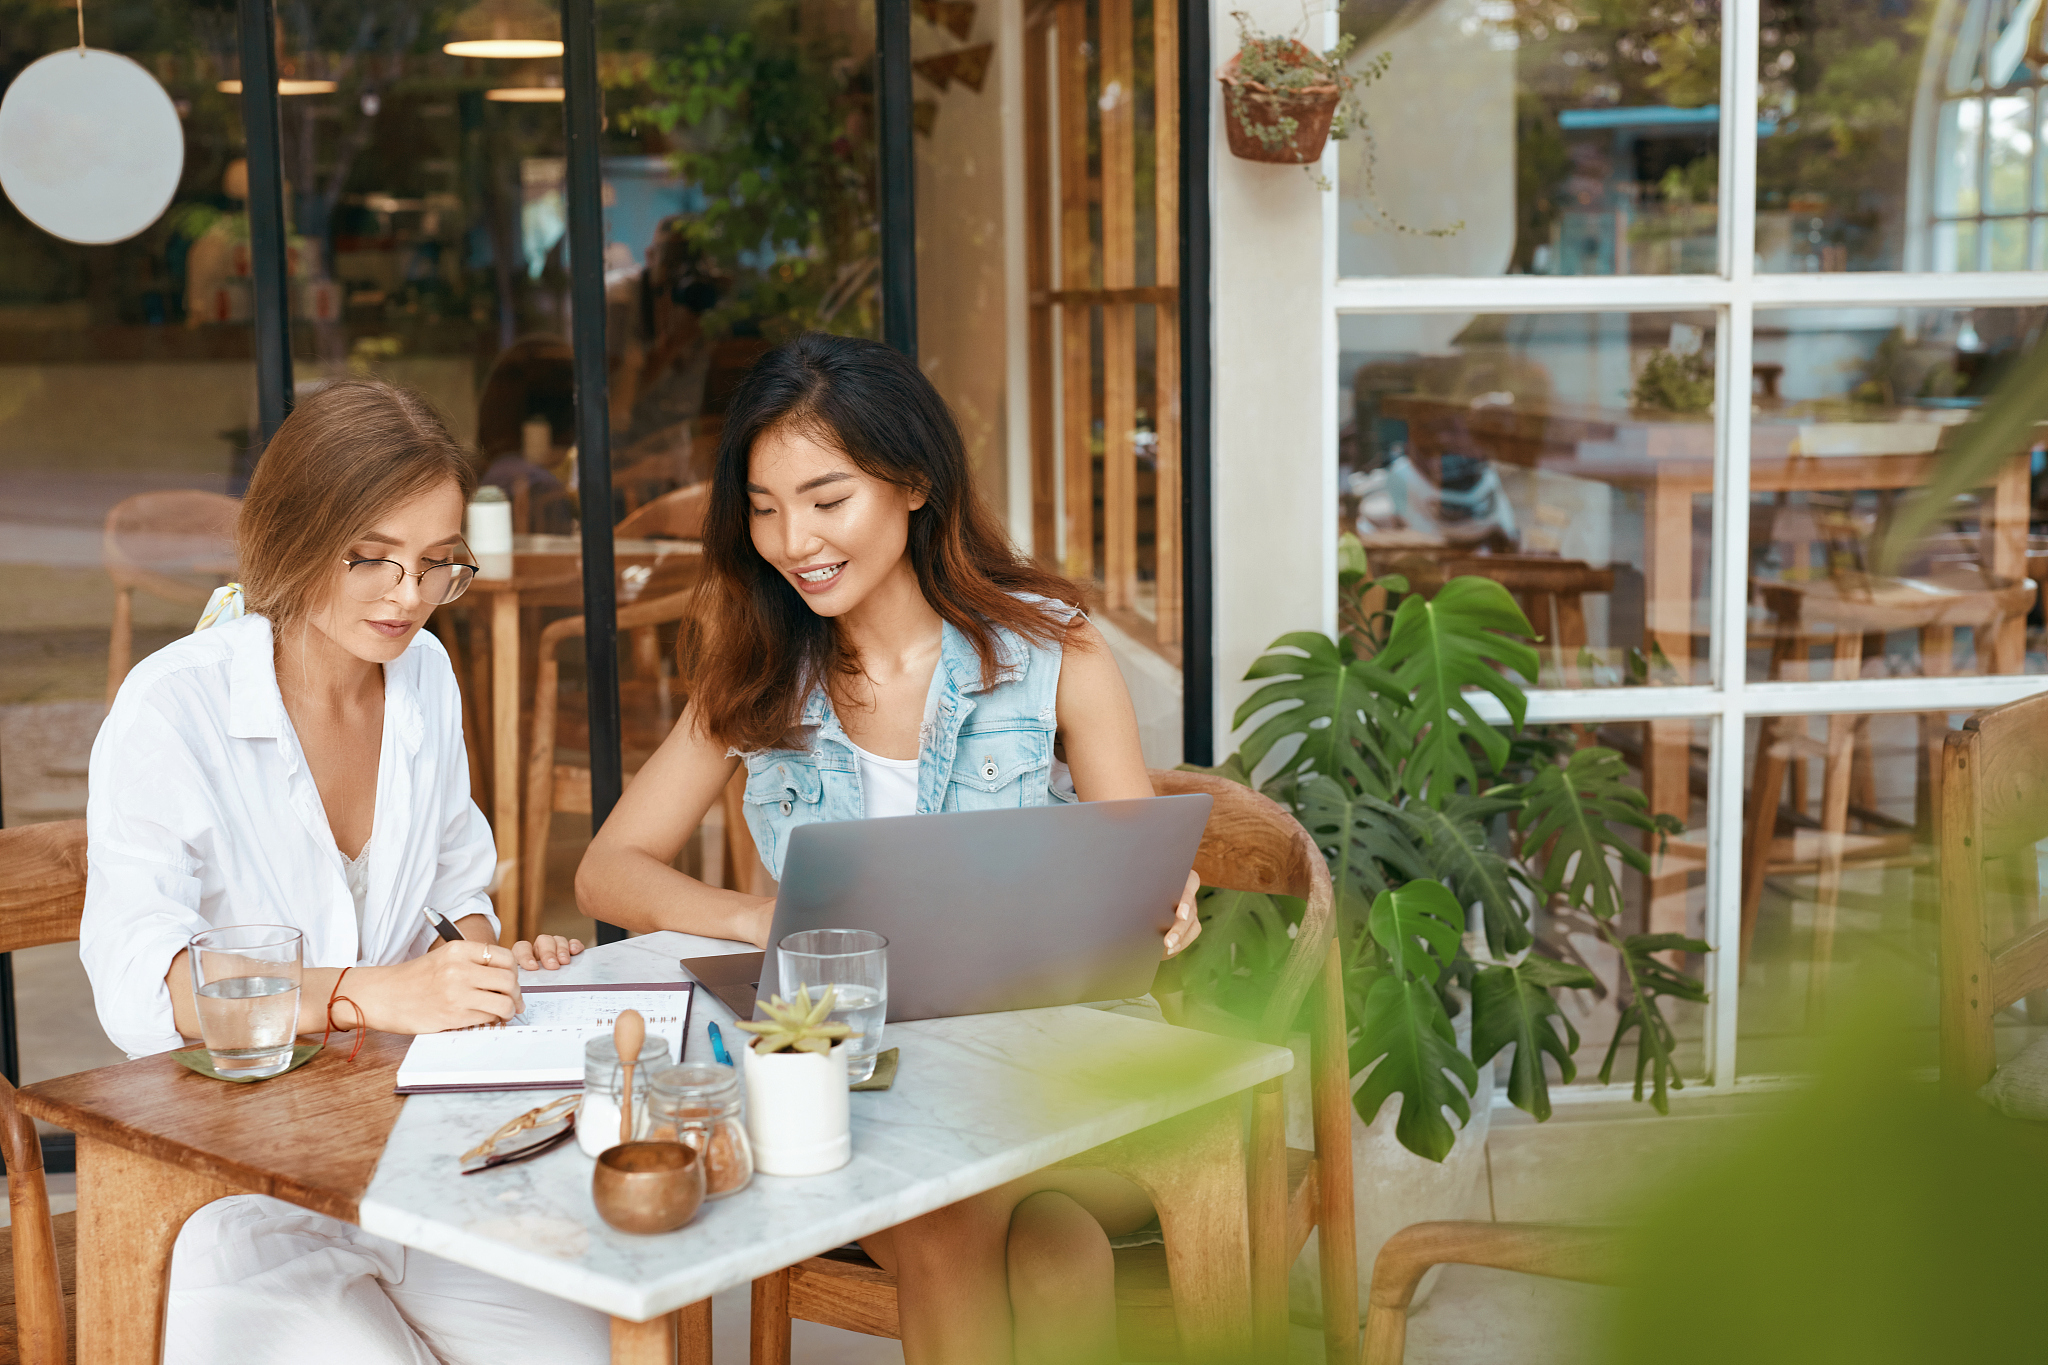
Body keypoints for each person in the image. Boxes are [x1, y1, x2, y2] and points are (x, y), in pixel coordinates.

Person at [576, 331, 1202, 1365]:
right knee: (1052, 1256)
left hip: (1041, 1077)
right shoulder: (755, 675)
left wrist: (1158, 898)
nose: (793, 541)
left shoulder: (1053, 653)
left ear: (912, 484)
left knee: (971, 1213)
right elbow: (606, 870)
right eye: (765, 509)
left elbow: (1132, 865)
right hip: (857, 1083)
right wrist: (753, 917)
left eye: (827, 501)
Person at [81, 379, 604, 1365]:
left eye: (436, 563)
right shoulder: (171, 709)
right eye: (371, 558)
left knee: (591, 1354)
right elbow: (149, 987)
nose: (407, 596)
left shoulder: (424, 677)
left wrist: (483, 970)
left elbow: (456, 887)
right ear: (295, 534)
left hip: (404, 1164)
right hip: (230, 1197)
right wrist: (381, 993)